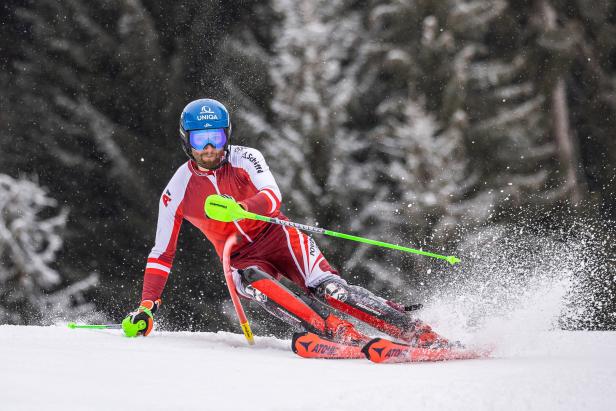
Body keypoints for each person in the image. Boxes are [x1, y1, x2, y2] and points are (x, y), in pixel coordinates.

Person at [122, 98, 448, 348]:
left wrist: (241, 209)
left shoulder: (245, 158)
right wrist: (147, 306)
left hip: (279, 236)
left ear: (228, 136)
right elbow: (161, 253)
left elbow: (272, 195)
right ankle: (334, 330)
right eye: (201, 140)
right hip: (239, 257)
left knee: (332, 290)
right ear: (186, 141)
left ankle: (416, 331)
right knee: (248, 279)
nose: (209, 148)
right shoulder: (177, 189)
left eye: (217, 138)